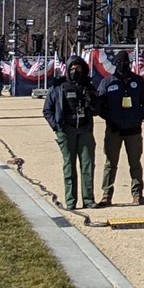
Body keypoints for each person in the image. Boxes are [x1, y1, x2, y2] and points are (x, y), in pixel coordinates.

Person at [98, 51, 144, 206]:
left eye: (126, 62)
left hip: (133, 130)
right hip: (114, 130)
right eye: (120, 62)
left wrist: (138, 117)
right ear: (116, 64)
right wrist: (110, 119)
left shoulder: (138, 81)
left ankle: (137, 194)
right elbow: (100, 105)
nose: (123, 65)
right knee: (110, 164)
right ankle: (106, 195)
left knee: (135, 163)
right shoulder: (107, 82)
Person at [44, 56, 97, 210]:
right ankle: (71, 201)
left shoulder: (89, 86)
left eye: (78, 67)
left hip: (85, 129)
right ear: (67, 69)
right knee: (69, 166)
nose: (75, 70)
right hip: (66, 130)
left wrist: (92, 102)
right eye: (72, 67)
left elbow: (98, 109)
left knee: (87, 165)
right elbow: (47, 110)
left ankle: (88, 199)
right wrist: (56, 127)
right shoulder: (59, 87)